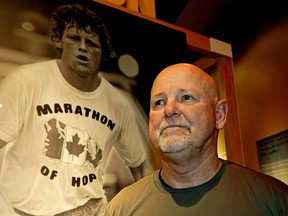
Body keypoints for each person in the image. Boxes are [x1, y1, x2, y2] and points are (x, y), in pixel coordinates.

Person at [0, 4, 151, 215]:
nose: (83, 47)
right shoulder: (26, 82)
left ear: (102, 52)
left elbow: (140, 167)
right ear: (59, 41)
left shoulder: (118, 103)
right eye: (74, 38)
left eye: (91, 43)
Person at [105, 63, 288, 215]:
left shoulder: (274, 201)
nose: (169, 110)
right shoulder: (121, 208)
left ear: (219, 115)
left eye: (186, 97)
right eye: (159, 102)